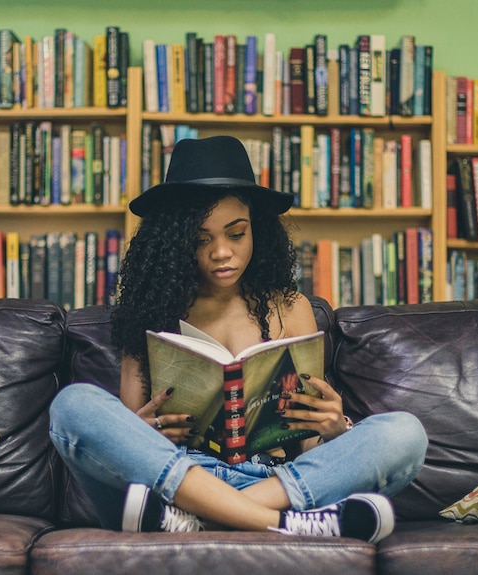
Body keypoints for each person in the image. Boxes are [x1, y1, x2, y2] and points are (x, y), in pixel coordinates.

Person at [49, 135, 427, 542]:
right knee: (73, 406)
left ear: (257, 232)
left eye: (236, 233)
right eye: (201, 239)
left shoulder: (291, 307)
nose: (221, 252)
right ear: (176, 243)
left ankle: (209, 519)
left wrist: (336, 427)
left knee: (405, 433)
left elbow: (309, 448)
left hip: (272, 480)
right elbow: (127, 440)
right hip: (175, 478)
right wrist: (142, 431)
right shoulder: (147, 311)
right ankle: (285, 525)